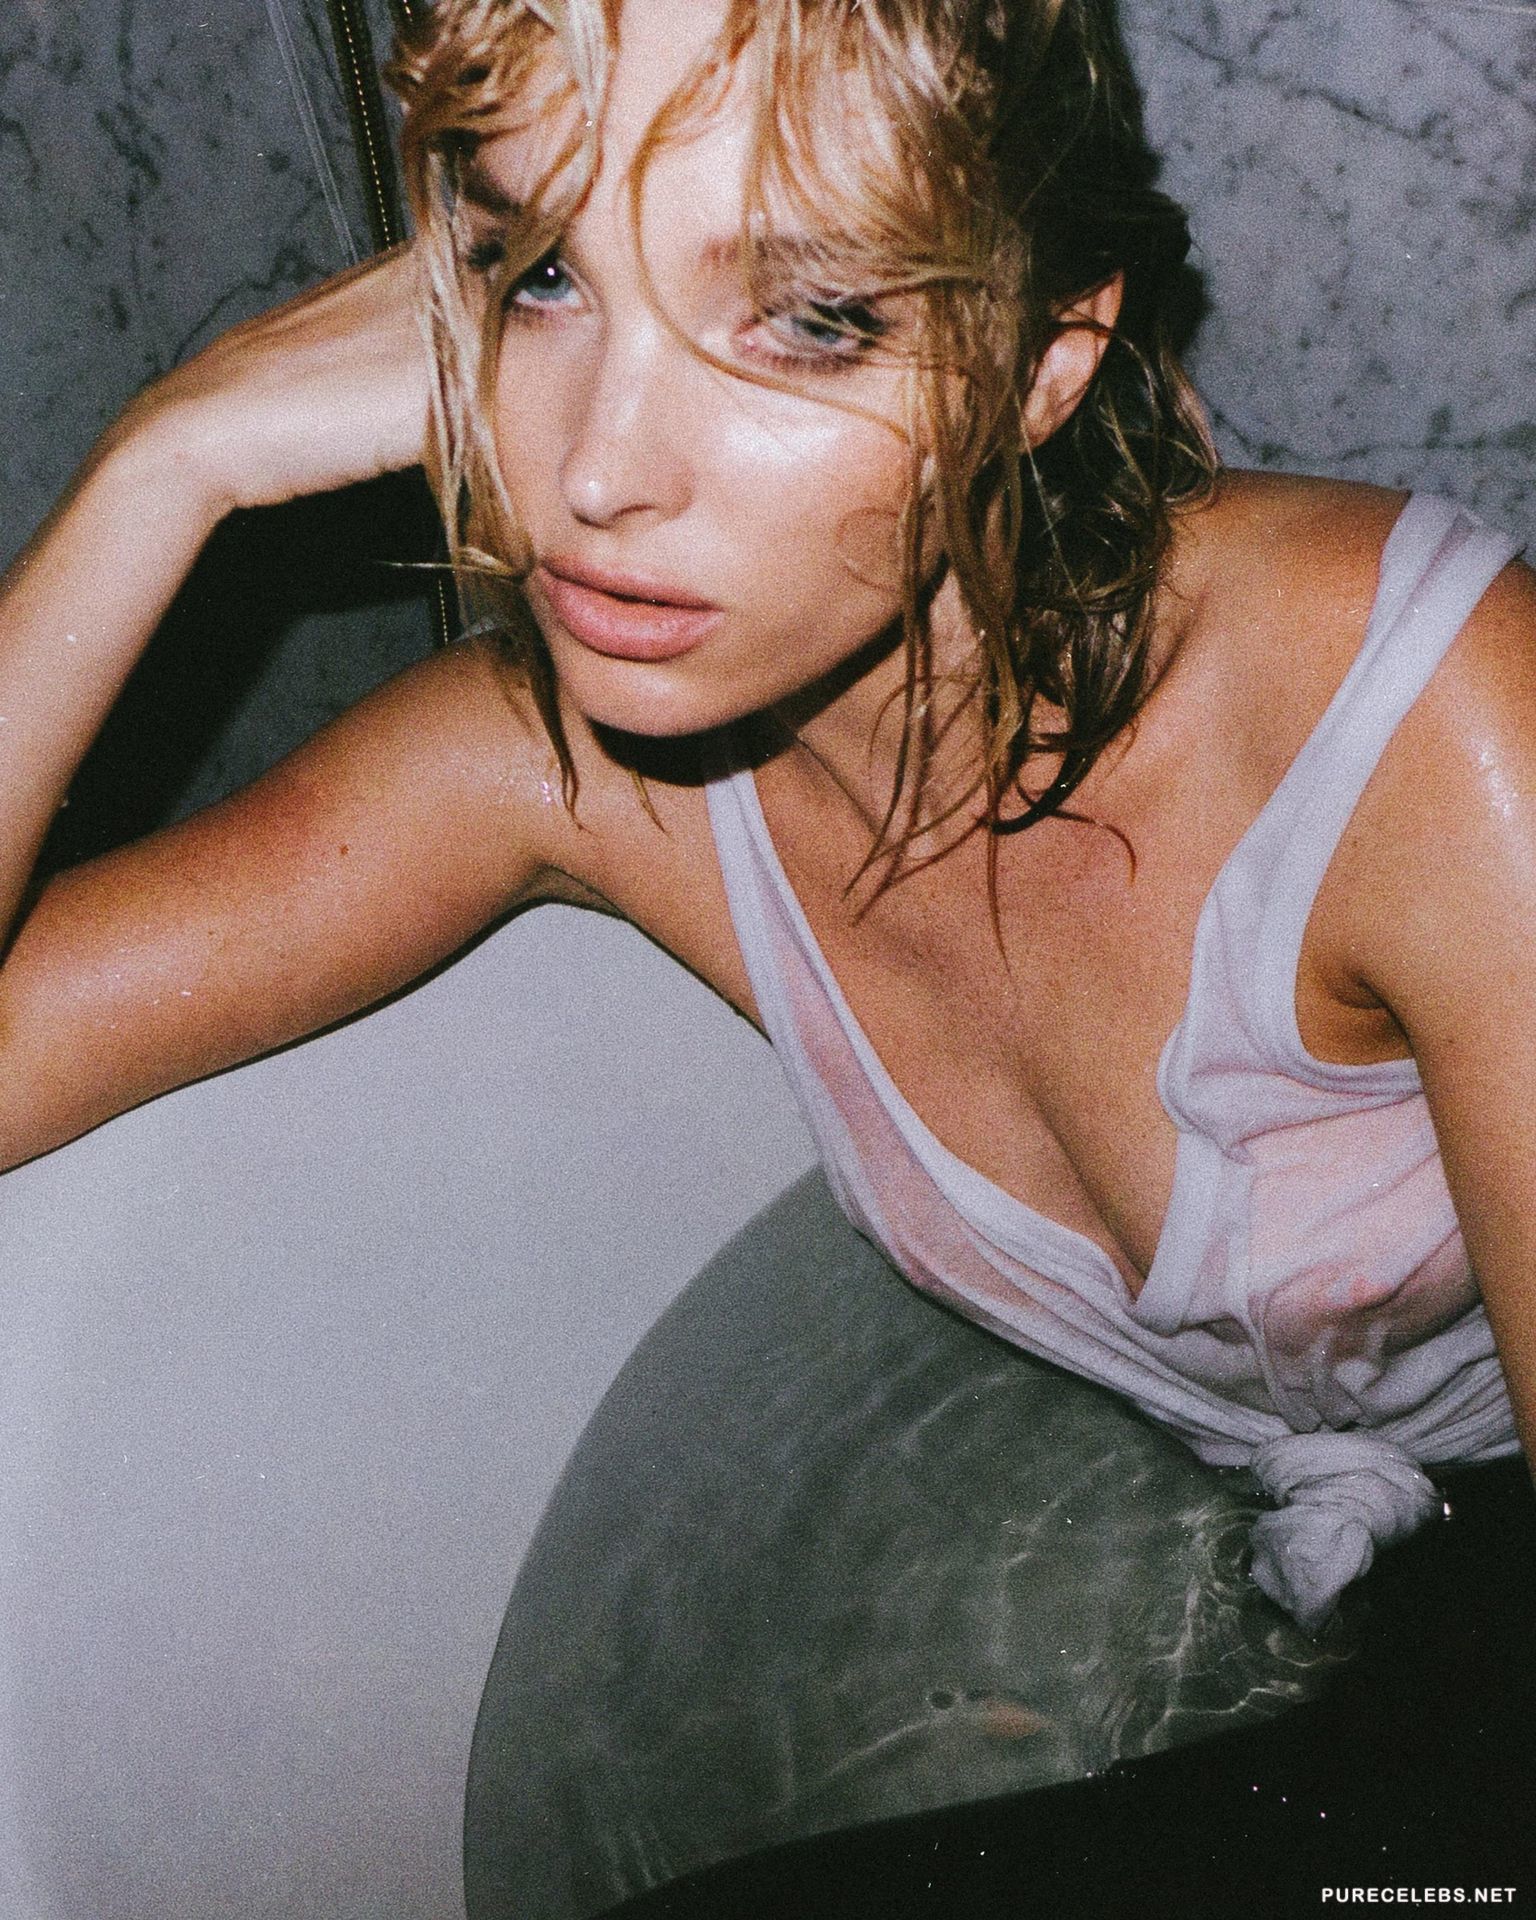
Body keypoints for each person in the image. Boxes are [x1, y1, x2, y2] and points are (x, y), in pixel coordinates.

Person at [0, 0, 1530, 1648]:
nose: (599, 472)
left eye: (805, 320)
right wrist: (168, 465)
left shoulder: (1415, 721)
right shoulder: (565, 764)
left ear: (1042, 361)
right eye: (546, 272)